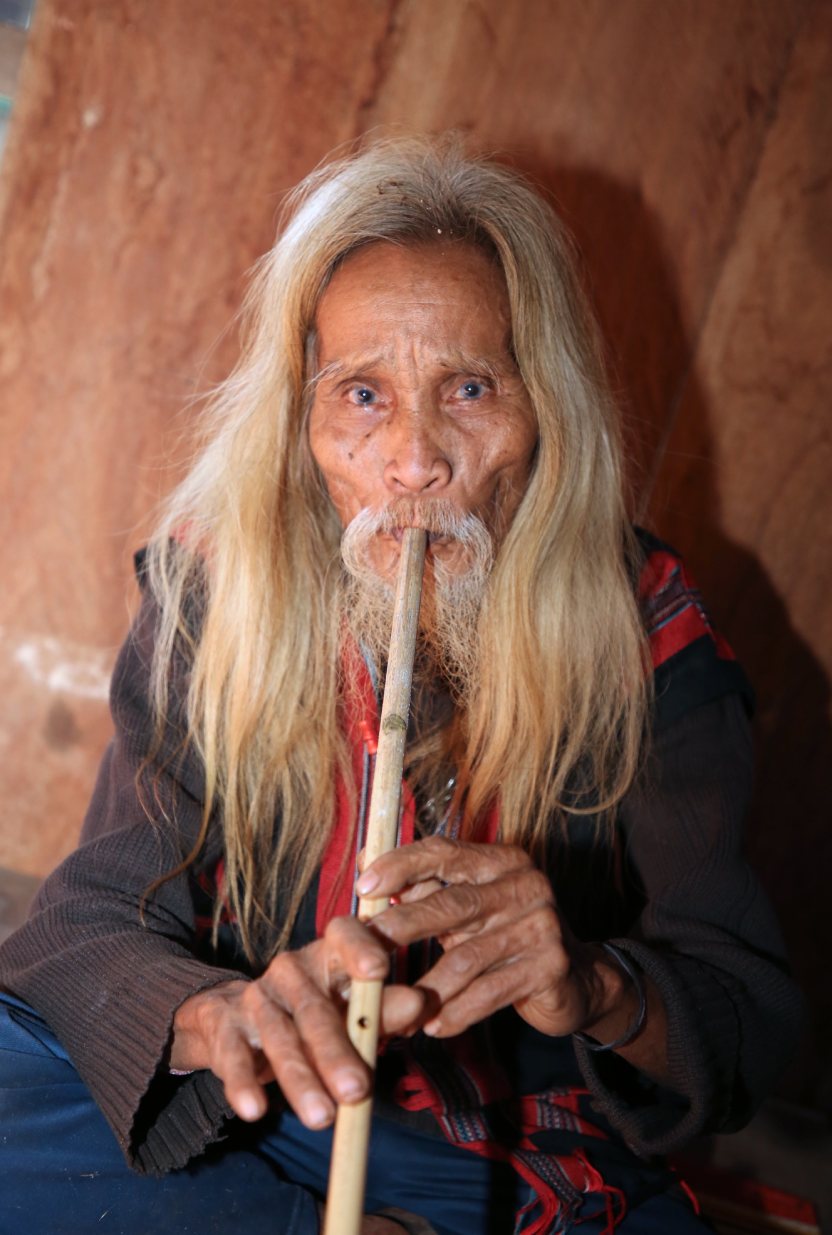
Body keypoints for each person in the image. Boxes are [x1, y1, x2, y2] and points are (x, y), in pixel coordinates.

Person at [0, 137, 803, 1235]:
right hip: (259, 1113)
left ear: (545, 410)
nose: (414, 458)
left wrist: (593, 982)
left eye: (469, 387)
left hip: (512, 1151)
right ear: (303, 423)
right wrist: (215, 1014)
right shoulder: (217, 591)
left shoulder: (645, 634)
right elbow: (82, 924)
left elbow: (748, 1030)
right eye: (363, 394)